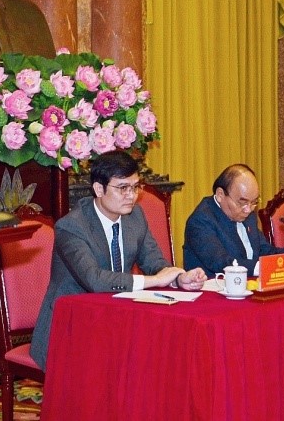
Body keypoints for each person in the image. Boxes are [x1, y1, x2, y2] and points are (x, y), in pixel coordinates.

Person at [30, 151, 207, 370]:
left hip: (116, 319)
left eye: (135, 187)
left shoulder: (135, 216)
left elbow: (154, 262)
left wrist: (179, 278)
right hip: (72, 327)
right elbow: (94, 280)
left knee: (164, 352)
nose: (131, 196)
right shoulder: (72, 226)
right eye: (123, 188)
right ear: (98, 189)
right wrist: (154, 281)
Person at [183, 164, 284, 277]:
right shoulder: (201, 221)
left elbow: (265, 252)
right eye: (242, 202)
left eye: (254, 202)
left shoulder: (247, 215)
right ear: (220, 195)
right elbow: (221, 263)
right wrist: (269, 268)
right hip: (213, 298)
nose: (249, 209)